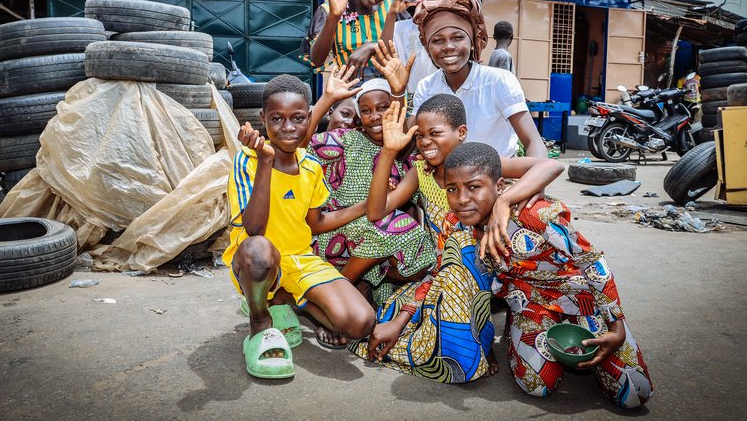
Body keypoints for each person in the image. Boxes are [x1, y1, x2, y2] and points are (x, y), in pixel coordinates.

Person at [353, 95, 564, 383]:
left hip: (493, 272)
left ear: (461, 133)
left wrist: (505, 201)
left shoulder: (477, 164)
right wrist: (389, 152)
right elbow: (377, 211)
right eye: (420, 135)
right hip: (447, 273)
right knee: (391, 321)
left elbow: (549, 166)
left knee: (458, 260)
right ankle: (473, 336)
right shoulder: (421, 172)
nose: (426, 142)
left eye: (435, 133)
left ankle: (484, 333)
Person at [443, 142, 654, 408]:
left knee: (636, 394)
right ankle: (518, 327)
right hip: (529, 302)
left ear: (499, 187)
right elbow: (456, 283)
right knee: (537, 386)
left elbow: (592, 261)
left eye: (473, 187)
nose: (461, 199)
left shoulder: (533, 214)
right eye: (452, 189)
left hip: (579, 297)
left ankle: (595, 335)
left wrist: (616, 327)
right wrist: (479, 346)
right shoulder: (455, 228)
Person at [222, 75, 375, 378]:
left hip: (300, 258)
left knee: (360, 323)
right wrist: (265, 161)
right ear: (262, 118)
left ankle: (289, 300)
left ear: (310, 120)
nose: (288, 128)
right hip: (257, 261)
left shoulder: (311, 166)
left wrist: (365, 208)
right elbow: (254, 229)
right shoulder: (247, 161)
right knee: (259, 251)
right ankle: (260, 322)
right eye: (277, 119)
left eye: (298, 119)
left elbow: (316, 223)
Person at [308, 72, 436, 345]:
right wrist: (325, 99)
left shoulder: (407, 157)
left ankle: (357, 287)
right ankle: (340, 292)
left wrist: (399, 91)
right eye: (366, 111)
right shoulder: (346, 140)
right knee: (392, 226)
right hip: (333, 233)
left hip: (374, 244)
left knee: (418, 246)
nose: (375, 116)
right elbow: (299, 145)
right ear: (358, 117)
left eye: (382, 108)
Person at [408, 0, 547, 158]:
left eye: (458, 37)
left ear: (473, 42)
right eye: (437, 40)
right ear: (428, 49)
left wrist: (533, 180)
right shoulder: (426, 86)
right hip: (447, 179)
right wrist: (397, 91)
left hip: (502, 176)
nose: (448, 46)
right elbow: (407, 144)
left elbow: (533, 142)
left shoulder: (498, 81)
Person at [385, 0, 488, 104]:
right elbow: (386, 53)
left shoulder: (455, 17)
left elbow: (475, 9)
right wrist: (391, 13)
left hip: (455, 98)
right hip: (416, 101)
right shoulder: (401, 27)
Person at [307, 0, 411, 80]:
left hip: (388, 92)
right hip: (348, 93)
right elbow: (317, 61)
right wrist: (333, 17)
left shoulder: (394, 10)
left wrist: (372, 47)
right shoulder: (328, 11)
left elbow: (407, 52)